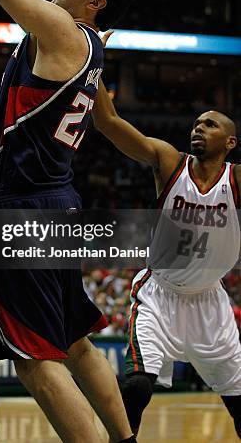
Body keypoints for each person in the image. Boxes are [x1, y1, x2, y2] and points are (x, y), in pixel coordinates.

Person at [0, 0, 140, 443]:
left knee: (37, 361)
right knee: (73, 338)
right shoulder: (81, 40)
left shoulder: (62, 32)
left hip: (25, 210)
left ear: (94, 3)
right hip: (57, 203)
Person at [92, 33, 241, 439]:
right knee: (138, 385)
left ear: (229, 142)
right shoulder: (169, 161)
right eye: (196, 123)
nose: (198, 128)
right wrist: (95, 63)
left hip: (210, 300)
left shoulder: (236, 179)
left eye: (209, 124)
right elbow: (108, 123)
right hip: (160, 293)